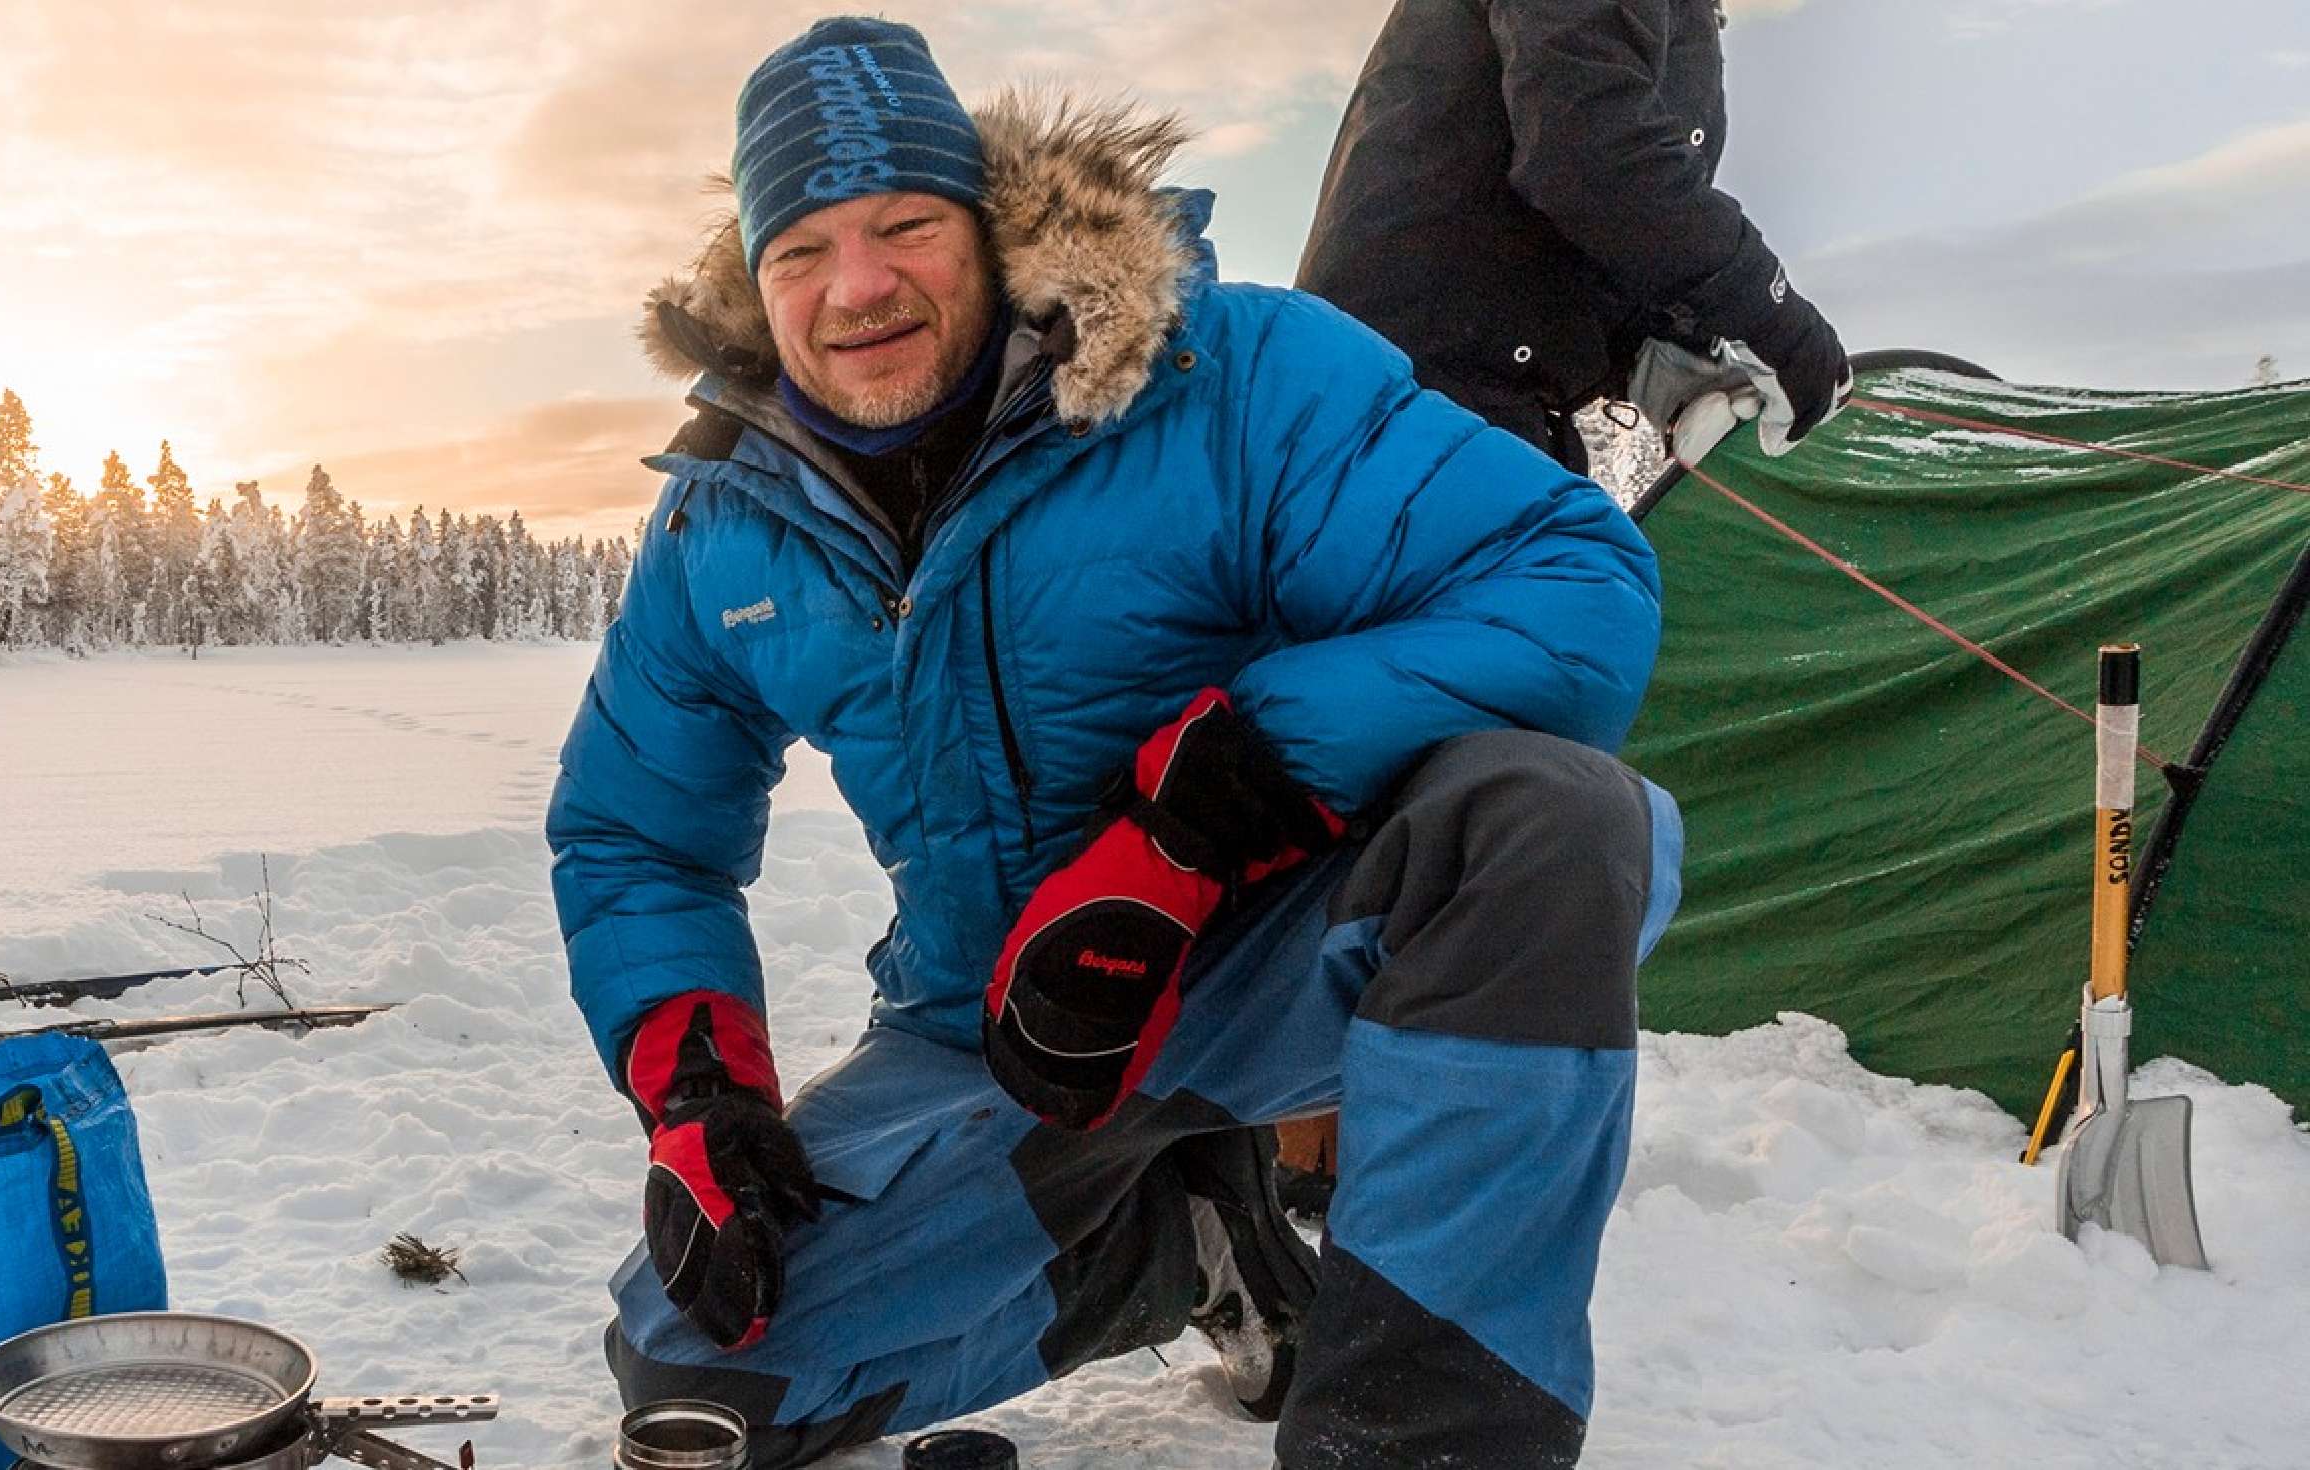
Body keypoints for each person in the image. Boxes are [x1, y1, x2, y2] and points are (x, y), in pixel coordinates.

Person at [552, 17, 1682, 1468]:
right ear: (756, 284)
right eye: (803, 250)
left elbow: (1575, 587)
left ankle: (1420, 1439)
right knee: (697, 1370)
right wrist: (700, 1091)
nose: (858, 285)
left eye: (906, 226)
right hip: (998, 1030)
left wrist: (1206, 816)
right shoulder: (725, 520)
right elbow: (637, 832)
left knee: (1551, 821)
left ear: (987, 226)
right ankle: (1183, 1243)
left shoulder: (1230, 372)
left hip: (1281, 951)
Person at [1297, 0, 1848, 474]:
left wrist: (1650, 353)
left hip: (1477, 407)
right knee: (1579, 565)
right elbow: (1589, 155)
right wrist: (1775, 319)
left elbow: (1577, 215)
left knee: (1587, 557)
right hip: (1403, 400)